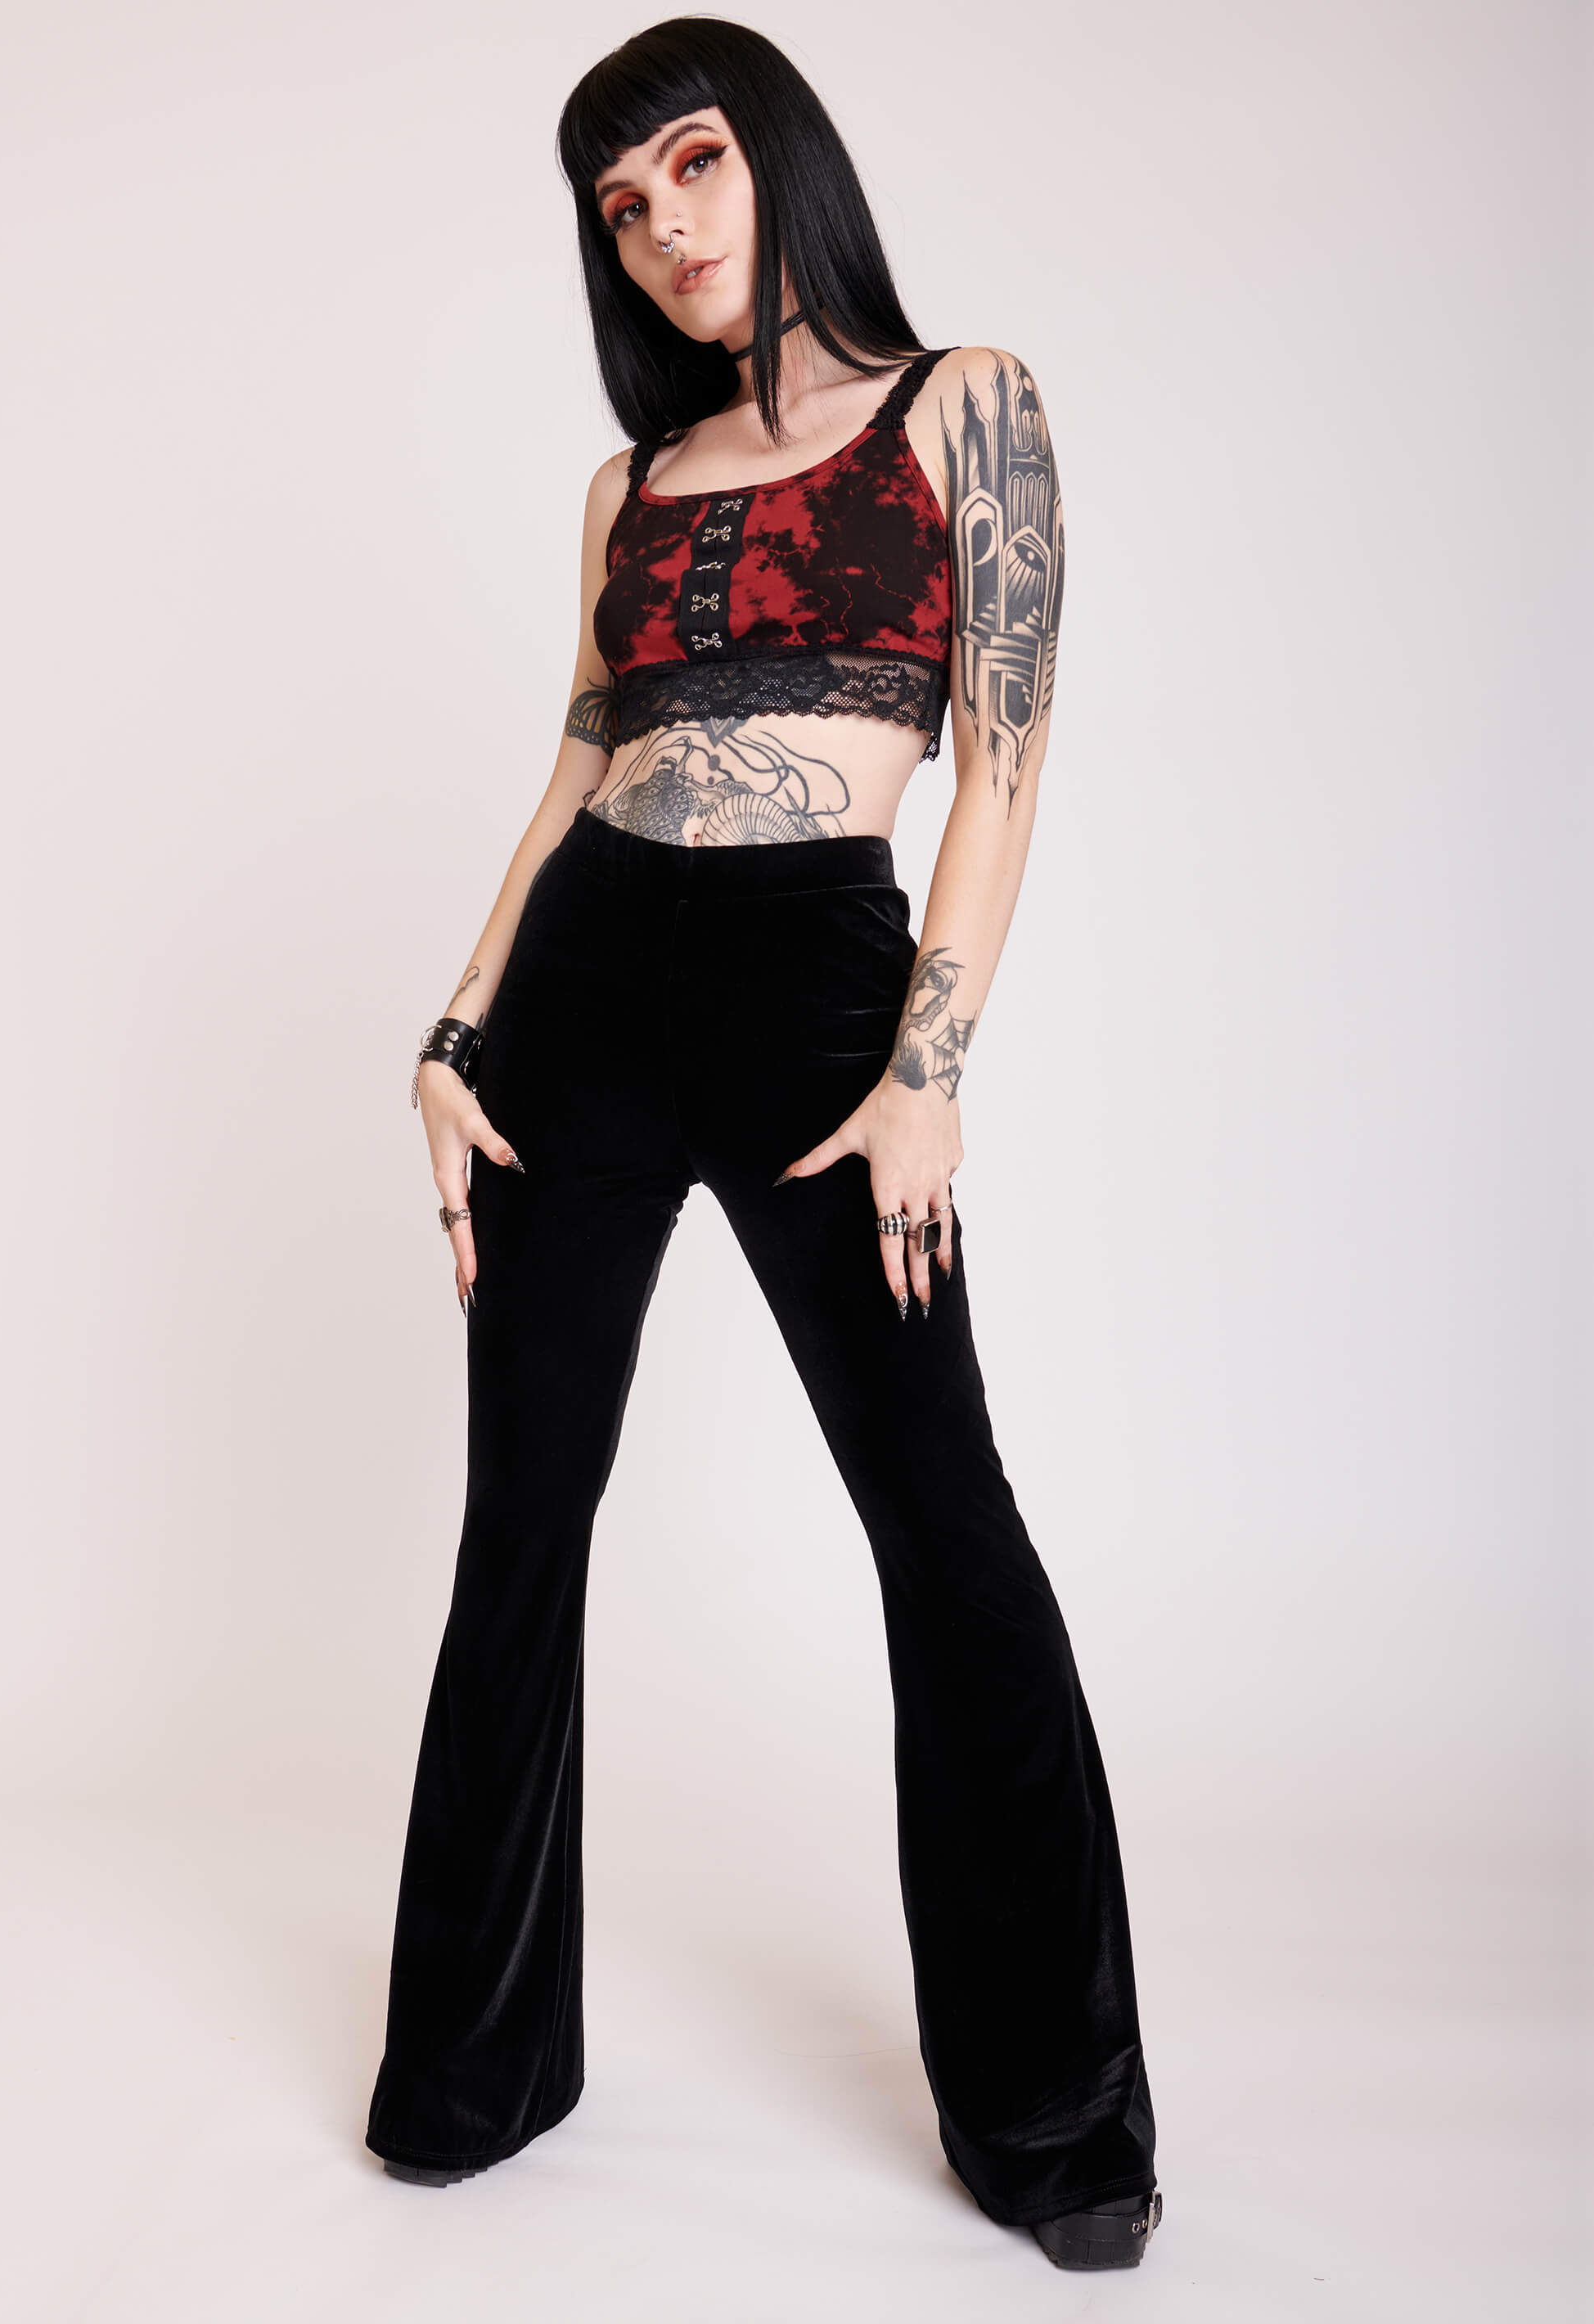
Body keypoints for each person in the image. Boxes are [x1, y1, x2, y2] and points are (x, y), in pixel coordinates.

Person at [366, 17, 1161, 2273]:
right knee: (520, 1528)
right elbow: (574, 767)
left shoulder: (966, 406)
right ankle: (473, 2073)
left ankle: (1054, 2122)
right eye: (619, 207)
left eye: (691, 164)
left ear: (778, 150)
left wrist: (929, 1069)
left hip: (822, 987)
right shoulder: (626, 488)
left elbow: (1003, 762)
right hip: (580, 1003)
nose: (662, 226)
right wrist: (455, 1028)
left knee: (945, 1525)